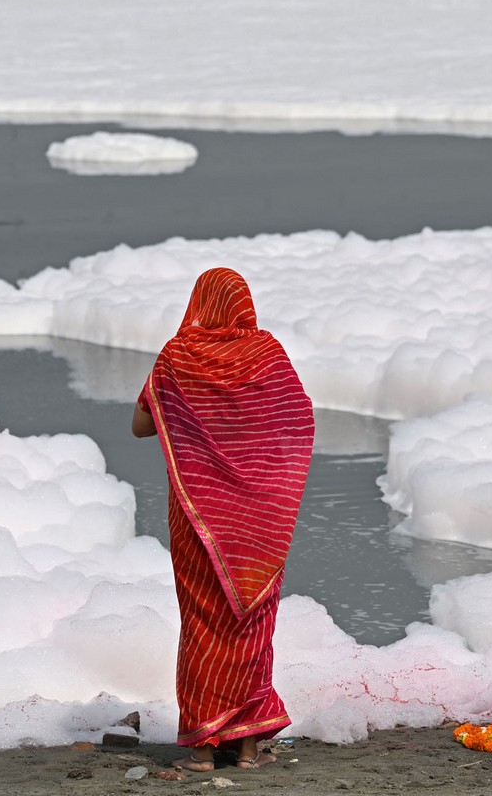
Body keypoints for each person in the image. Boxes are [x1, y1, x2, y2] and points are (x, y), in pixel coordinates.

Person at [132, 267, 314, 772]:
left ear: (198, 304)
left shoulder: (179, 356)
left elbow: (140, 425)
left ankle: (206, 749)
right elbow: (297, 418)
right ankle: (249, 746)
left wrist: (190, 412)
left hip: (200, 515)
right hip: (262, 518)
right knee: (252, 621)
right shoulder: (269, 356)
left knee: (204, 622)